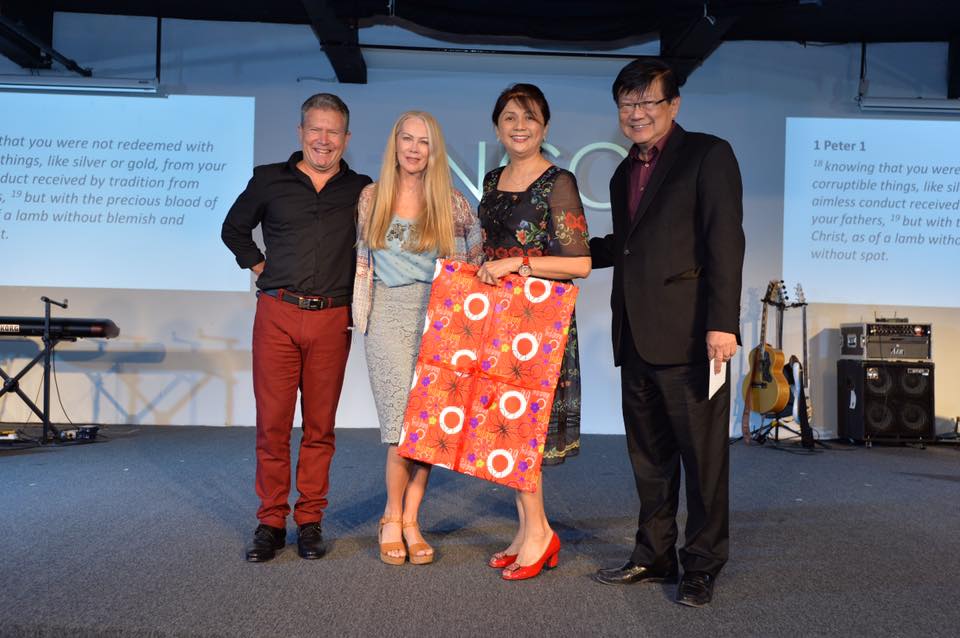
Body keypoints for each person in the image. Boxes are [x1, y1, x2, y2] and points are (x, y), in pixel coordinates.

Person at [589, 59, 745, 607]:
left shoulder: (707, 154)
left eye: (647, 102)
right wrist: (557, 256)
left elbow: (725, 241)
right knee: (649, 457)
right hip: (635, 336)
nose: (636, 114)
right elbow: (627, 245)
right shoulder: (621, 172)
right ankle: (653, 554)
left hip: (693, 338)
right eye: (627, 105)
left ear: (673, 105)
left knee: (703, 460)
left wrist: (723, 323)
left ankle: (701, 565)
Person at [221, 93, 372, 562]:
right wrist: (260, 267)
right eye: (315, 129)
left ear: (346, 138)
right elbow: (233, 229)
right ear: (300, 131)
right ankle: (270, 522)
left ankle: (309, 520)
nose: (323, 140)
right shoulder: (269, 180)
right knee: (272, 426)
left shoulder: (363, 189)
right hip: (278, 315)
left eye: (333, 132)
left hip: (333, 318)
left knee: (320, 427)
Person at [352, 111, 483, 565]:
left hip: (438, 320)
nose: (413, 147)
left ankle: (411, 520)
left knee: (428, 431)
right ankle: (391, 517)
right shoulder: (371, 198)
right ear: (394, 144)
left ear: (434, 150)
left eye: (422, 141)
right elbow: (363, 265)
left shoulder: (454, 204)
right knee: (400, 430)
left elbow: (474, 266)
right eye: (405, 138)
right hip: (386, 316)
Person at [476, 83, 591, 581]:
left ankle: (539, 535)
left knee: (523, 434)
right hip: (496, 322)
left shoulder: (558, 181)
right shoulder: (492, 178)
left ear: (544, 126)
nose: (518, 126)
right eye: (509, 117)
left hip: (537, 326)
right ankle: (530, 532)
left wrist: (515, 266)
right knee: (508, 431)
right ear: (497, 126)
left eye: (528, 118)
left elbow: (580, 263)